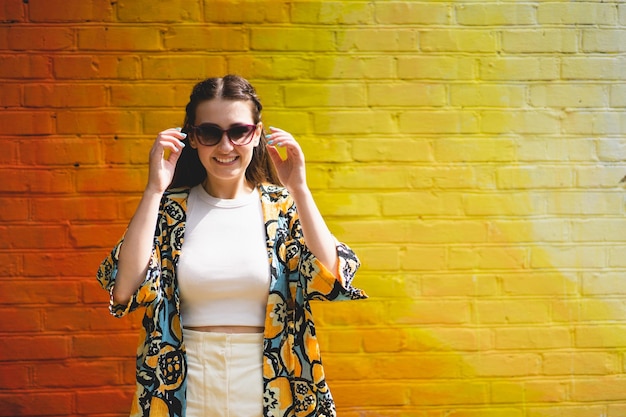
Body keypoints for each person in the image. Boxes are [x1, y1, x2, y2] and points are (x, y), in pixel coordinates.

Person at [96, 74, 367, 417]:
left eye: (238, 131)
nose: (225, 147)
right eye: (210, 133)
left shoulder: (282, 209)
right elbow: (124, 291)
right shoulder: (169, 210)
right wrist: (154, 189)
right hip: (182, 382)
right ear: (192, 138)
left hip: (272, 380)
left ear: (256, 133)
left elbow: (333, 278)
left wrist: (300, 189)